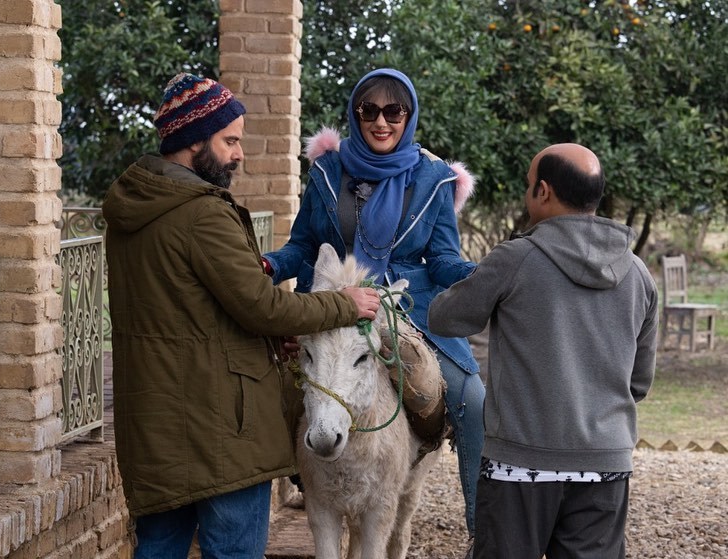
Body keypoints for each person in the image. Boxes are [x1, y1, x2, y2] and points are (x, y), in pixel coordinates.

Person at [102, 72, 381, 559]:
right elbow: (262, 305)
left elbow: (189, 312)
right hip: (221, 430)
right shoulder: (202, 213)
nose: (239, 154)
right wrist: (344, 303)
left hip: (157, 422)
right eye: (230, 140)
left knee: (159, 547)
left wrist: (269, 341)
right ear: (193, 140)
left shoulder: (134, 211)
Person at [261, 68, 485, 549]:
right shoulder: (326, 171)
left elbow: (443, 257)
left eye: (393, 111)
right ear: (355, 114)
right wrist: (267, 265)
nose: (381, 122)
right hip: (334, 303)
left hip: (408, 310)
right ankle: (302, 476)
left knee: (473, 400)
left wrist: (479, 276)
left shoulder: (432, 177)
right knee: (273, 389)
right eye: (369, 111)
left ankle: (485, 534)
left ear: (409, 115)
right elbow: (302, 246)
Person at [428, 143, 659, 559]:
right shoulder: (639, 273)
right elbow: (639, 383)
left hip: (518, 465)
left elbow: (444, 318)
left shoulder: (516, 258)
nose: (527, 191)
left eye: (528, 183)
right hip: (606, 463)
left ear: (544, 192)